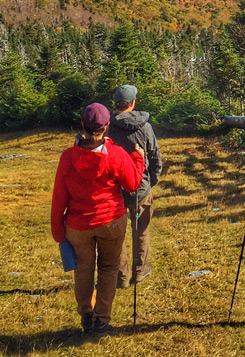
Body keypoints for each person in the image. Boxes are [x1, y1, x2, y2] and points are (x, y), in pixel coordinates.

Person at [51, 102, 144, 335]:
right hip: (111, 221)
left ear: (82, 124)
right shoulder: (117, 155)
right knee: (109, 267)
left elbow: (59, 197)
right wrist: (139, 159)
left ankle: (87, 315)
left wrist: (57, 231)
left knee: (83, 269)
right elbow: (132, 184)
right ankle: (102, 319)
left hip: (77, 225)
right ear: (107, 127)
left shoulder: (68, 158)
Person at [108, 84, 163, 287]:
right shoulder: (145, 127)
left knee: (118, 235)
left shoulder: (107, 128)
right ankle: (140, 270)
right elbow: (156, 158)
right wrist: (150, 181)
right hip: (141, 189)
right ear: (133, 103)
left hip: (116, 192)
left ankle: (121, 276)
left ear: (116, 104)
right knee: (141, 231)